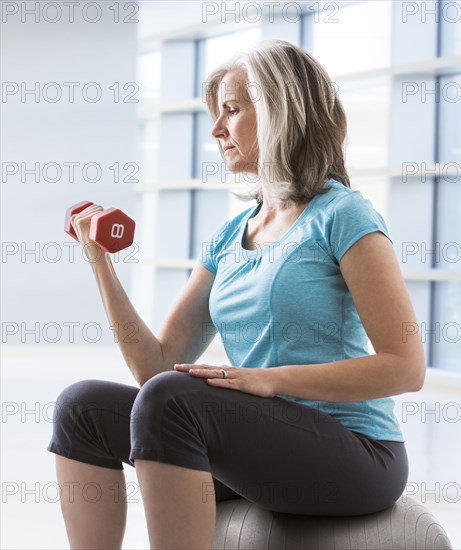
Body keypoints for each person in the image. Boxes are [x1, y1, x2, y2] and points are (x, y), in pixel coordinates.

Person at [47, 39, 425, 550]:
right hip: (261, 447)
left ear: (279, 112)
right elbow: (156, 366)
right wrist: (101, 264)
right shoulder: (230, 235)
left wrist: (266, 381)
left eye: (231, 110)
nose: (217, 129)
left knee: (173, 399)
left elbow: (405, 367)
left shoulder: (343, 216)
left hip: (356, 452)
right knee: (83, 406)